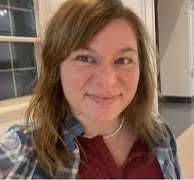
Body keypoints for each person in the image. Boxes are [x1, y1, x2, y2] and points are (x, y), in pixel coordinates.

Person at [0, 0, 181, 178]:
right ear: (56, 66)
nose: (106, 82)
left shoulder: (161, 137)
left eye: (123, 60)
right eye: (85, 58)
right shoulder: (21, 152)